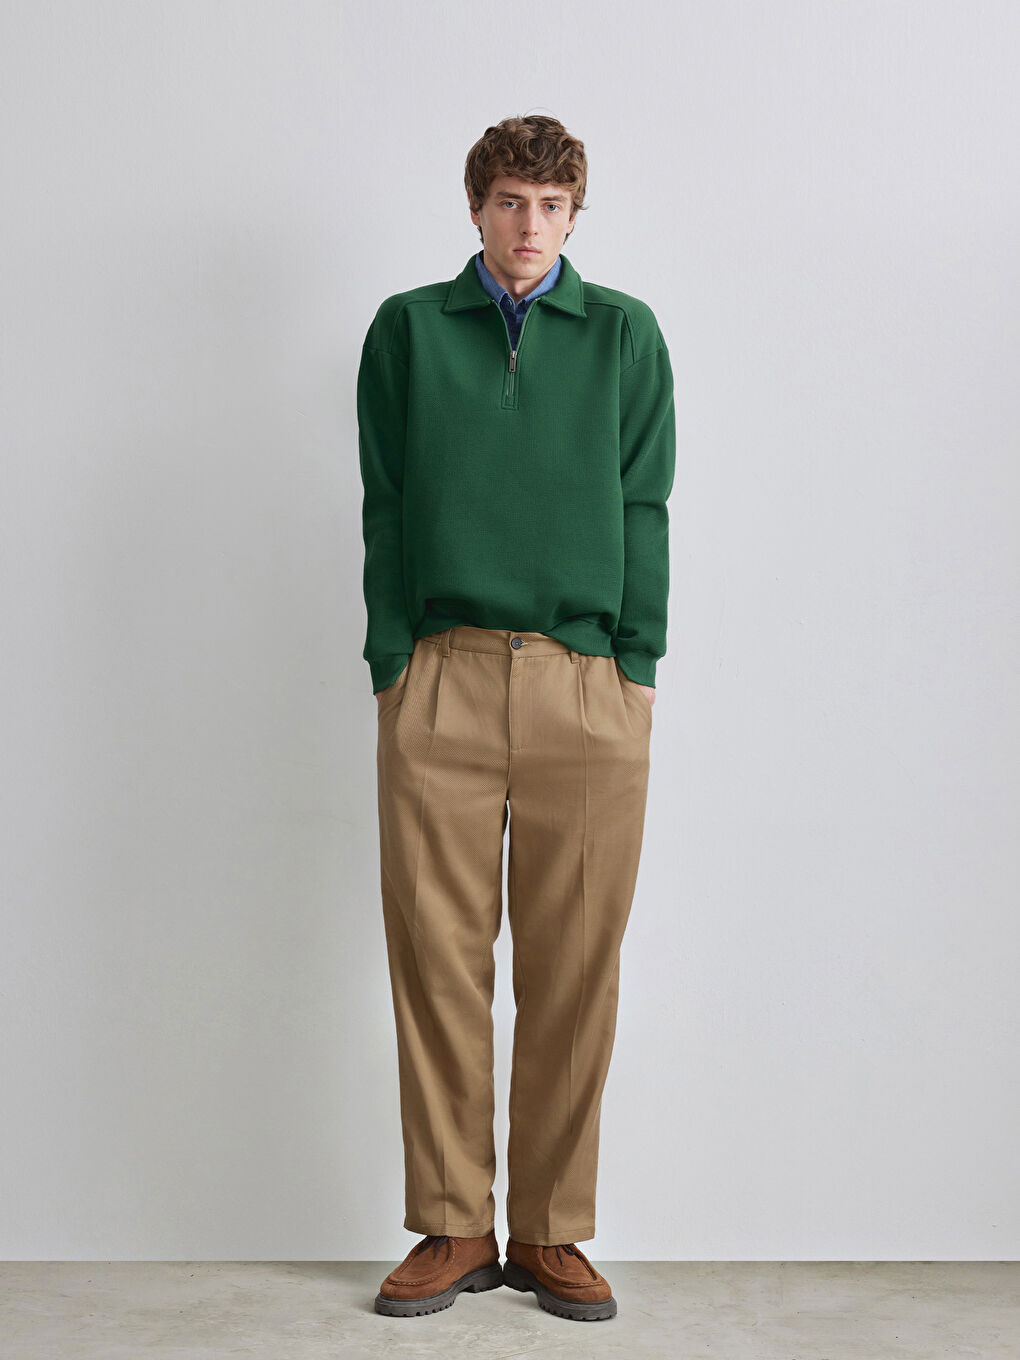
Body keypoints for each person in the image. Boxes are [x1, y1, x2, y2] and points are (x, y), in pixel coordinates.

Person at [357, 113, 676, 1322]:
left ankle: (550, 1228)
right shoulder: (407, 330)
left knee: (574, 966)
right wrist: (392, 658)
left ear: (574, 215)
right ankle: (453, 1222)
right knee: (435, 959)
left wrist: (635, 666)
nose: (528, 224)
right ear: (476, 208)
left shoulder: (625, 334)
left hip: (584, 683)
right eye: (508, 201)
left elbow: (645, 502)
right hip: (439, 673)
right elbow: (385, 498)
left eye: (549, 205)